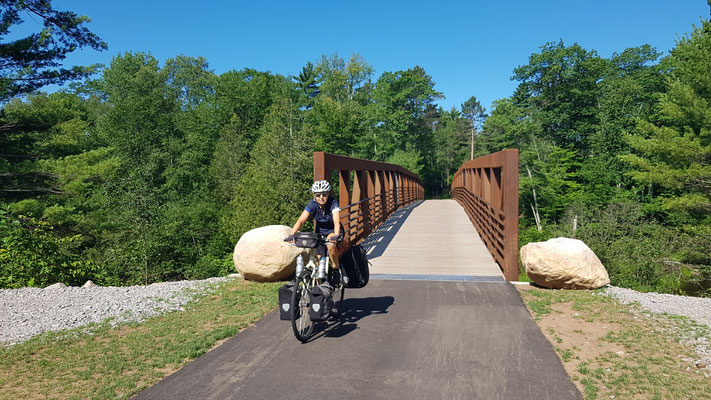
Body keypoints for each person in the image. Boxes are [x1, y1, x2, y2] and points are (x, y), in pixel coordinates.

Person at [284, 180, 343, 271]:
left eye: (324, 194)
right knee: (318, 258)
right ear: (314, 195)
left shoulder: (333, 203)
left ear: (328, 194)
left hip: (333, 231)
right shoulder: (312, 204)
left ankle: (335, 268)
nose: (321, 197)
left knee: (330, 245)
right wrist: (292, 234)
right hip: (320, 232)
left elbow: (336, 221)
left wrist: (336, 235)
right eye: (318, 195)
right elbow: (301, 220)